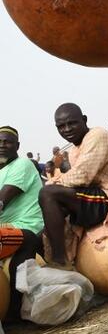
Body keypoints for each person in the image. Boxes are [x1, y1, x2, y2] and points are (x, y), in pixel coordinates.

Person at [39, 104, 108, 267]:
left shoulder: (97, 136)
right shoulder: (74, 151)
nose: (67, 129)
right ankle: (61, 257)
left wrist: (51, 183)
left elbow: (81, 176)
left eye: (72, 123)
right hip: (100, 194)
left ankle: (60, 261)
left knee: (48, 194)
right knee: (44, 230)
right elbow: (77, 182)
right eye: (61, 126)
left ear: (84, 120)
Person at [0, 126, 44, 320]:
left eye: (7, 142)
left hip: (26, 227)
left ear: (17, 146)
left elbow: (2, 199)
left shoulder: (22, 164)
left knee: (25, 240)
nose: (2, 145)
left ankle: (13, 309)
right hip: (7, 229)